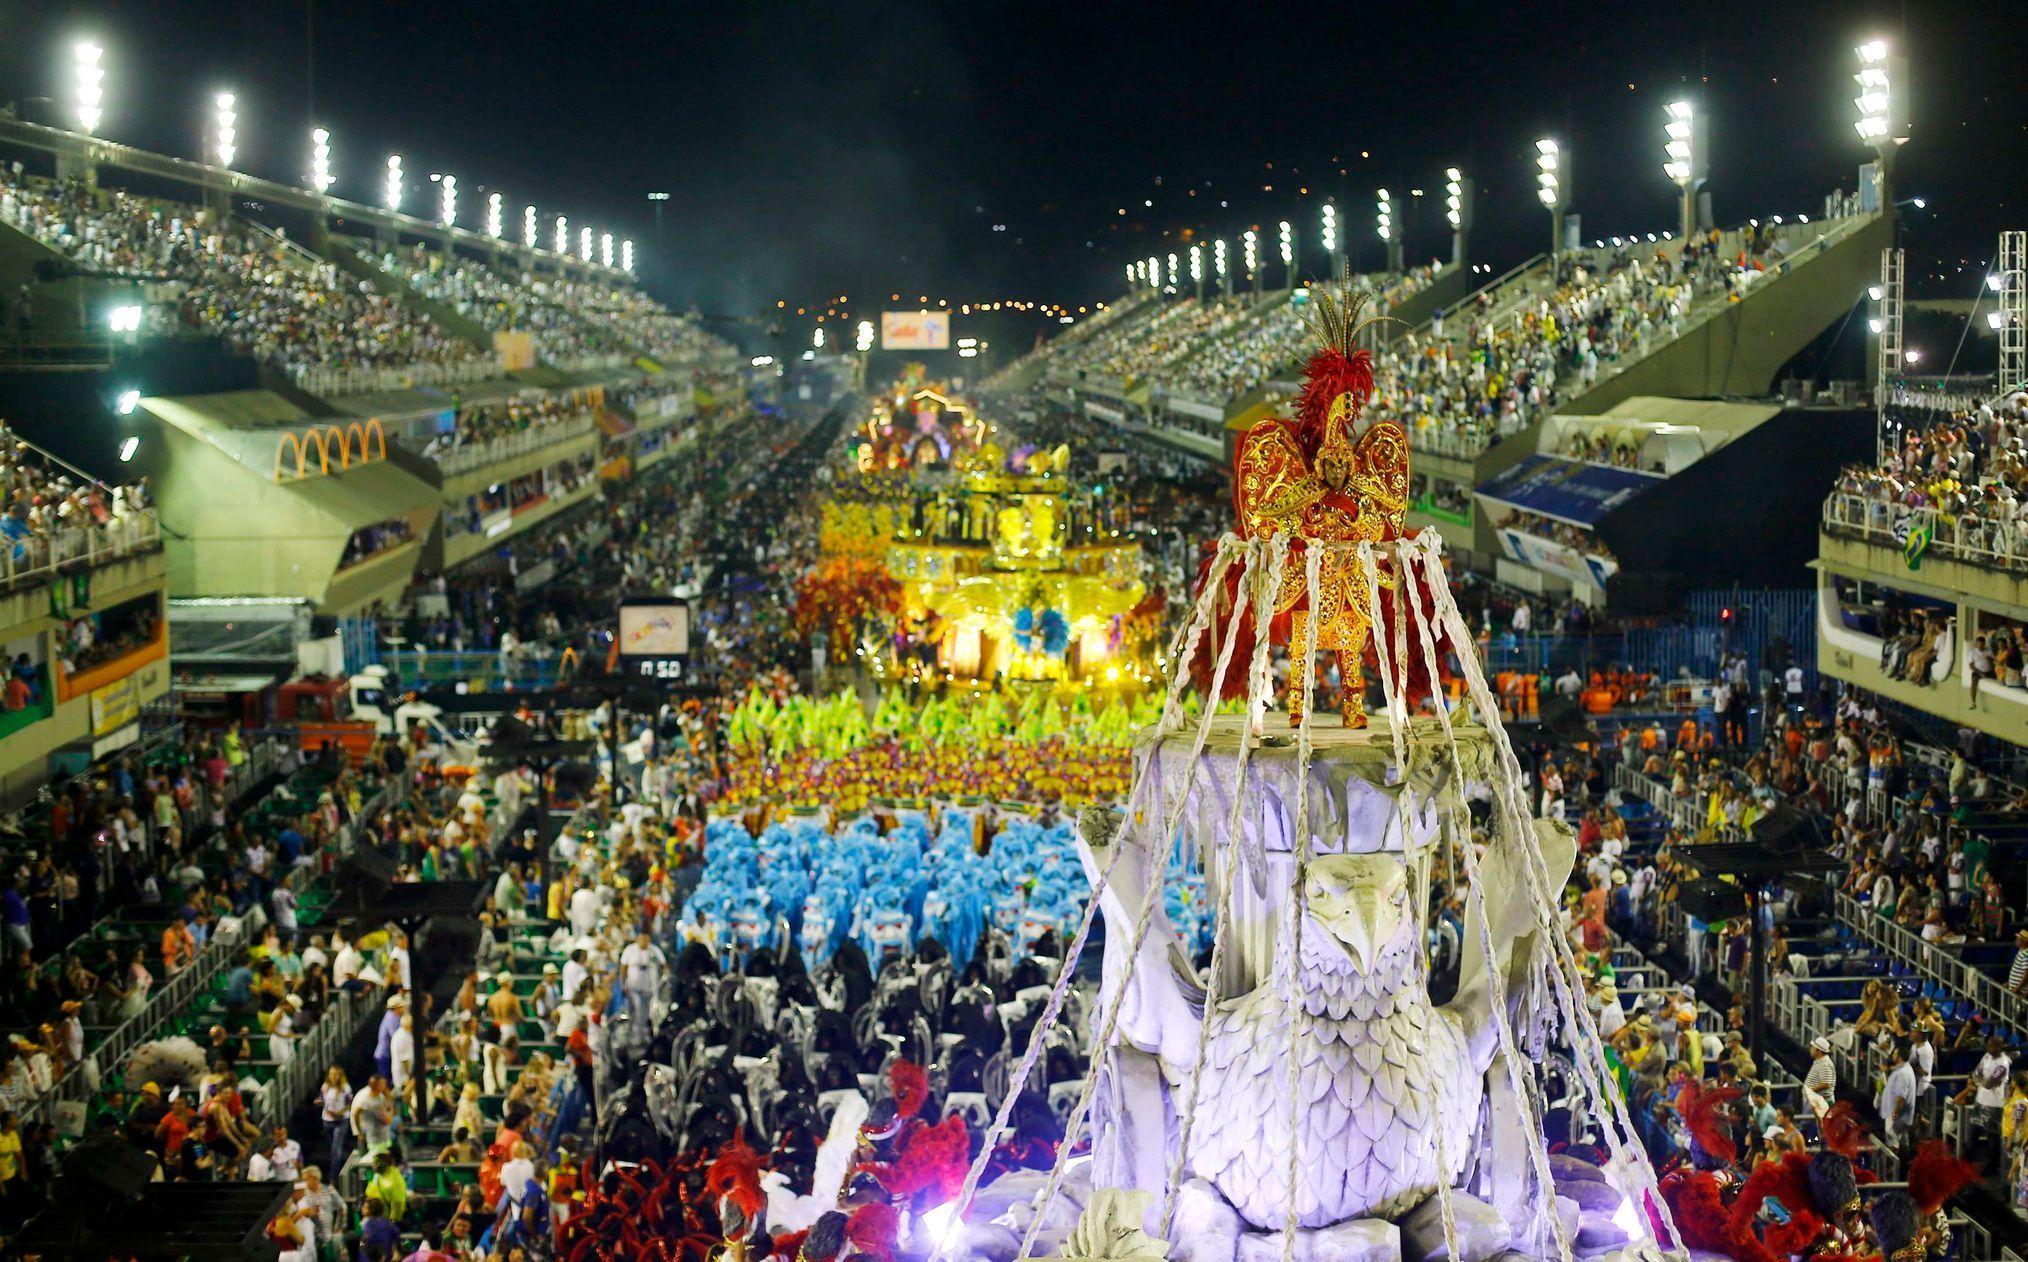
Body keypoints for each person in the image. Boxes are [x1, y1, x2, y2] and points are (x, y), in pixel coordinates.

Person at [1877, 1041, 1919, 1148]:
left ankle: (1894, 1164)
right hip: (1900, 1115)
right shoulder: (1904, 1069)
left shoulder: (1903, 1073)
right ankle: (1902, 1160)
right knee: (1901, 1141)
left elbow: (1900, 1097)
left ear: (1899, 1057)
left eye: (1895, 1054)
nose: (1893, 1056)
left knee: (1893, 1143)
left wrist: (1894, 1113)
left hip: (1898, 1115)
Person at [319, 1065, 353, 1176]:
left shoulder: (346, 1087)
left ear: (340, 1075)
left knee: (335, 1150)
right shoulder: (325, 1087)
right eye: (331, 1074)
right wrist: (319, 1102)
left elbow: (349, 1103)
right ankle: (349, 1159)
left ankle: (333, 1178)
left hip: (341, 1121)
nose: (333, 1076)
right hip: (327, 1121)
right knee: (335, 1149)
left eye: (335, 1074)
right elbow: (322, 1100)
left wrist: (340, 1112)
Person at [1803, 1035, 1837, 1120]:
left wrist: (1811, 1091)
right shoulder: (1820, 1061)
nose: (1811, 1049)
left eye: (1813, 1048)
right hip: (1816, 1101)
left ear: (1819, 1051)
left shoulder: (1825, 1064)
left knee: (1809, 1125)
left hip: (1821, 1102)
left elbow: (1826, 1083)